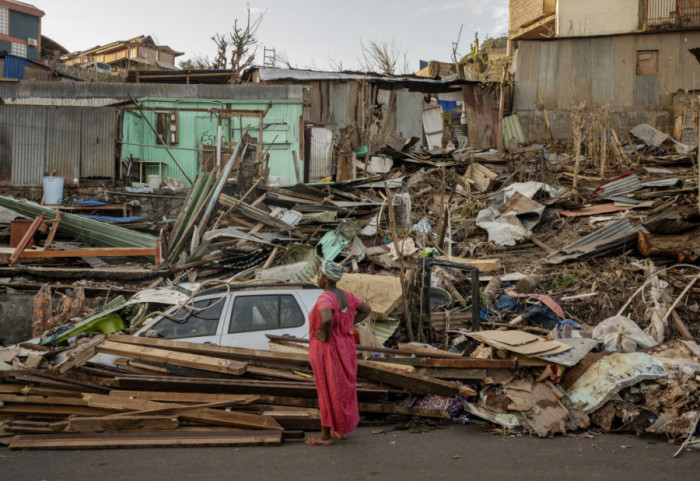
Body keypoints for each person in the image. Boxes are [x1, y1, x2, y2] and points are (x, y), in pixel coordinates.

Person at [305, 260, 371, 446]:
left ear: (326, 279)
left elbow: (325, 319)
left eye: (319, 275)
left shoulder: (325, 298)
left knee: (326, 390)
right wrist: (348, 324)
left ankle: (325, 436)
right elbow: (366, 309)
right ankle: (339, 430)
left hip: (328, 350)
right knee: (341, 389)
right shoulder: (348, 296)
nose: (317, 279)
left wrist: (326, 335)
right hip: (346, 348)